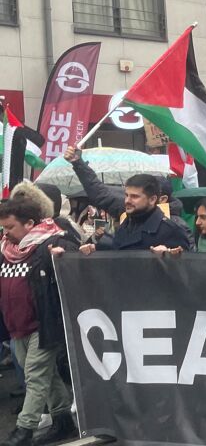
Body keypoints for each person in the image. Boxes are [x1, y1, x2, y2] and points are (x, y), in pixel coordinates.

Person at [0, 185, 80, 446]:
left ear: (30, 224)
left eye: (10, 227)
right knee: (45, 374)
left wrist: (64, 253)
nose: (6, 233)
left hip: (44, 324)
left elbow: (74, 249)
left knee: (34, 373)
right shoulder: (6, 249)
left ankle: (24, 429)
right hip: (16, 324)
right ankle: (63, 420)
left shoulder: (51, 241)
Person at [79, 174, 190, 255]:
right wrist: (94, 249)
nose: (127, 200)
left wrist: (169, 257)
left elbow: (185, 272)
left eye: (135, 197)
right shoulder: (125, 226)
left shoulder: (171, 230)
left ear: (152, 200)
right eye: (126, 195)